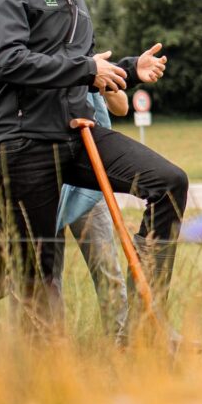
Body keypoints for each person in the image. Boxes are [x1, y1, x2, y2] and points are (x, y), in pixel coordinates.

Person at [0, 0, 188, 333]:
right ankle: (45, 365)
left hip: (77, 137)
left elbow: (85, 71)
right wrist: (86, 68)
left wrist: (129, 69)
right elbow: (8, 61)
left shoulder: (76, 2)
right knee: (38, 274)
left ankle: (145, 327)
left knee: (169, 183)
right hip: (23, 141)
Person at [55, 89, 129, 343]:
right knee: (46, 273)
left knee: (106, 267)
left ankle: (120, 341)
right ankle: (50, 346)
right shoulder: (34, 67)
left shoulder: (90, 68)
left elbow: (121, 107)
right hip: (44, 176)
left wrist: (100, 82)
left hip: (87, 183)